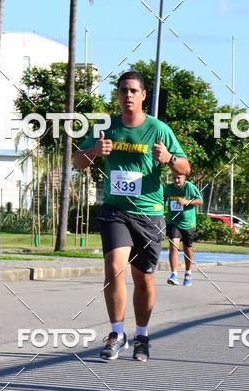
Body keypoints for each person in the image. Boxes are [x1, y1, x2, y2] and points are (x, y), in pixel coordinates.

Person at [74, 70, 190, 362]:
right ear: (118, 94)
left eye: (133, 90)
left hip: (149, 214)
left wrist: (170, 159)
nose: (127, 95)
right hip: (115, 210)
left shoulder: (159, 129)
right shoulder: (107, 127)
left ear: (143, 96)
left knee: (144, 280)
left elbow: (185, 168)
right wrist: (94, 151)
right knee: (114, 267)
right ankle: (116, 333)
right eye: (123, 90)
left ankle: (141, 335)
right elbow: (77, 162)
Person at [165, 173, 203, 286]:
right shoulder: (168, 188)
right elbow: (161, 198)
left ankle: (188, 272)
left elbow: (200, 201)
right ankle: (174, 274)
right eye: (174, 178)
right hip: (173, 222)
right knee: (173, 246)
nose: (176, 180)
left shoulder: (189, 187)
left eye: (179, 178)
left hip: (188, 223)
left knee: (187, 249)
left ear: (184, 178)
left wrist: (186, 202)